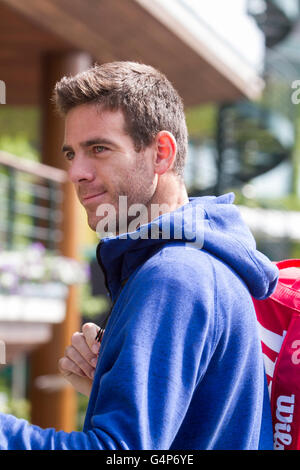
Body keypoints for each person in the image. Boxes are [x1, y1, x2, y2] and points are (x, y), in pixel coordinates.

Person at [0, 61, 278, 450]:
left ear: (161, 153)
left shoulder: (175, 276)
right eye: (71, 153)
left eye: (98, 149)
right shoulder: (199, 263)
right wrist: (110, 387)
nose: (76, 172)